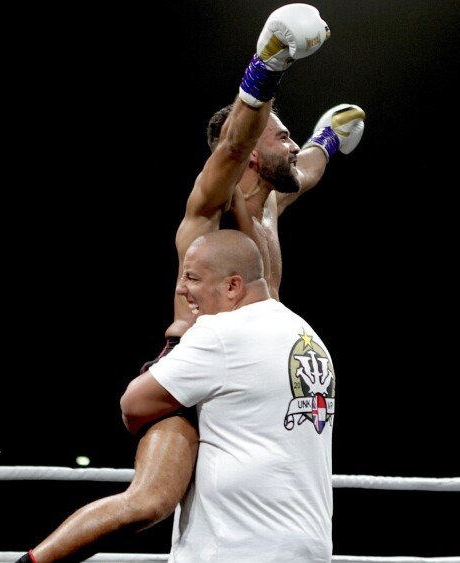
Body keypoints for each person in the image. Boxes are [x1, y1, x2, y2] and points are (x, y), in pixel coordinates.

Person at [21, 4, 363, 562]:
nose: (293, 143)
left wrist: (329, 135)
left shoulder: (274, 204)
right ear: (251, 146)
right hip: (193, 362)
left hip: (252, 377)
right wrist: (266, 71)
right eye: (283, 134)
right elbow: (229, 146)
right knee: (151, 501)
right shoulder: (212, 205)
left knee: (275, 500)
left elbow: (312, 167)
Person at [121, 229, 337, 562]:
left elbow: (133, 405)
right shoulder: (306, 334)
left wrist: (172, 350)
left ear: (232, 286)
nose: (182, 289)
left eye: (192, 278)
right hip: (307, 544)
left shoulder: (223, 332)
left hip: (237, 543)